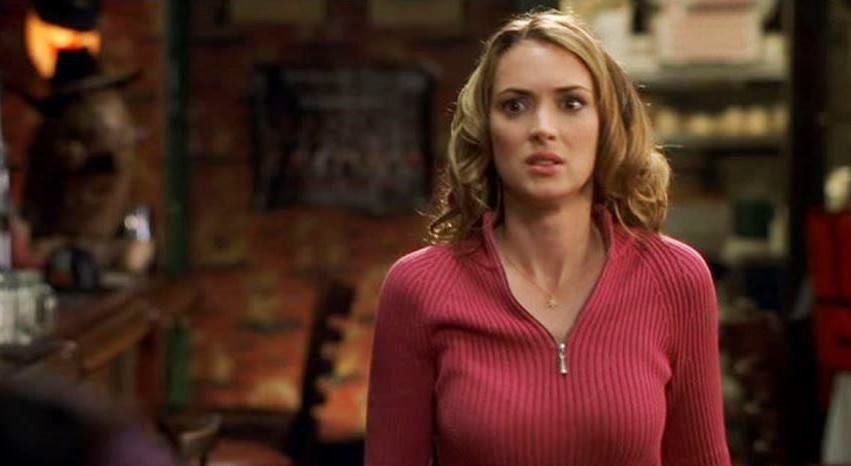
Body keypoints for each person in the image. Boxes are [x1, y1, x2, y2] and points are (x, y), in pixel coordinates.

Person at [365, 8, 730, 466]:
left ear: (606, 125)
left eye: (571, 103)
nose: (542, 128)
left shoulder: (676, 278)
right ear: (486, 130)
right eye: (515, 106)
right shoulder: (418, 288)